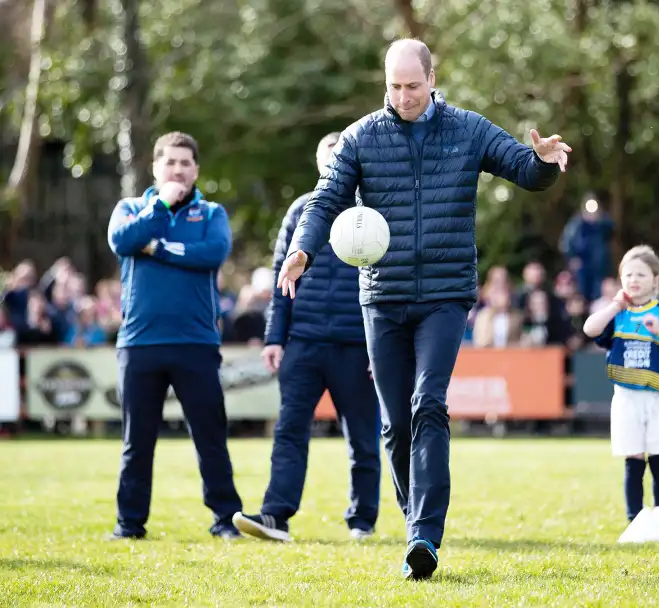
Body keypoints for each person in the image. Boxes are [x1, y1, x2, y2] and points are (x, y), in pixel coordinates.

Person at [276, 38, 570, 579]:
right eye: (394, 86)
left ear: (432, 79)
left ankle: (424, 537)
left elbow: (524, 169)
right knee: (393, 425)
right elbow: (325, 199)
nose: (404, 96)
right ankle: (416, 522)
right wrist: (302, 250)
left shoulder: (468, 128)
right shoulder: (363, 136)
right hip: (382, 297)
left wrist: (545, 161)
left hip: (444, 293)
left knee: (428, 403)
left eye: (413, 85)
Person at [232, 133, 382, 542]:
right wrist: (274, 338)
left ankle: (362, 520)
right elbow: (281, 276)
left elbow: (388, 282)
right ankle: (275, 517)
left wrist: (379, 344)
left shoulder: (371, 213)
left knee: (363, 438)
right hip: (304, 344)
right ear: (319, 163)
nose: (333, 165)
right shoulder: (300, 211)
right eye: (327, 157)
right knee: (289, 432)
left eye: (340, 158)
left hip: (356, 346)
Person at [106, 131, 243, 540]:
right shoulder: (130, 208)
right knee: (137, 442)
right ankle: (129, 524)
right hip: (139, 343)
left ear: (197, 169)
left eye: (186, 163)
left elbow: (212, 254)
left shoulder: (212, 212)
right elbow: (123, 240)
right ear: (155, 167)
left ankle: (224, 519)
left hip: (196, 343)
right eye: (170, 162)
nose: (178, 169)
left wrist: (159, 248)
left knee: (210, 436)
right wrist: (160, 206)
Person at [583, 246, 659, 523]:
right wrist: (615, 306)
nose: (634, 280)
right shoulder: (617, 314)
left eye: (641, 275)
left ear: (656, 279)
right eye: (628, 275)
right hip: (626, 398)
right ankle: (634, 520)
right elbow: (590, 329)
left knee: (658, 459)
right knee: (633, 459)